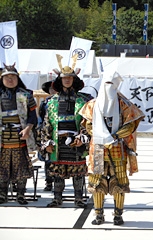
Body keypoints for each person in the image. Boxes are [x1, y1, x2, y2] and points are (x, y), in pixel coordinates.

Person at [79, 72, 144, 225]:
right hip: (98, 148)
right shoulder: (92, 104)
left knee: (120, 182)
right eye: (106, 84)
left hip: (117, 148)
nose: (109, 87)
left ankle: (118, 214)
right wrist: (100, 134)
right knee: (96, 182)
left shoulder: (124, 104)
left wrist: (115, 136)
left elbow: (131, 124)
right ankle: (99, 214)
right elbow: (87, 123)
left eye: (112, 84)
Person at [40, 55, 93, 208]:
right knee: (57, 172)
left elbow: (87, 122)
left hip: (76, 140)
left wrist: (82, 138)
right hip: (57, 141)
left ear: (74, 80)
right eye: (64, 78)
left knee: (78, 172)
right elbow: (46, 124)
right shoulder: (52, 101)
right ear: (60, 80)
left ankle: (79, 198)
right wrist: (46, 143)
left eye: (70, 77)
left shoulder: (84, 100)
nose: (67, 80)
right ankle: (57, 198)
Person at [0, 63, 38, 205]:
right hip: (2, 138)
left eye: (13, 77)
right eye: (7, 77)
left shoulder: (26, 95)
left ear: (17, 78)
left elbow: (33, 116)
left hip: (20, 136)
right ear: (2, 79)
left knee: (21, 166)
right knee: (2, 167)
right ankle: (2, 194)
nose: (10, 80)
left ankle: (21, 194)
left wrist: (28, 129)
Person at [37, 80, 56, 191]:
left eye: (55, 88)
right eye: (51, 89)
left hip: (59, 133)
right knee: (47, 159)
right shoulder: (45, 103)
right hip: (47, 132)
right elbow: (40, 118)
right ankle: (48, 182)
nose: (53, 91)